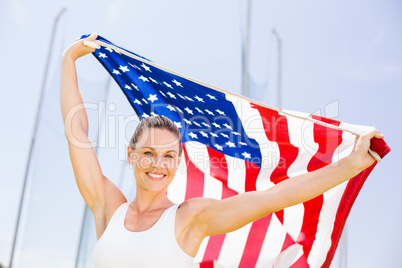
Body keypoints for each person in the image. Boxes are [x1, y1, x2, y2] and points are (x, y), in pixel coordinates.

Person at [60, 33, 384, 267]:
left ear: (177, 163)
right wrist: (68, 60)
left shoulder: (190, 218)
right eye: (148, 153)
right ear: (131, 156)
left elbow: (276, 197)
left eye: (169, 155)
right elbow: (77, 130)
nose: (157, 164)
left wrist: (350, 164)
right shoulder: (108, 208)